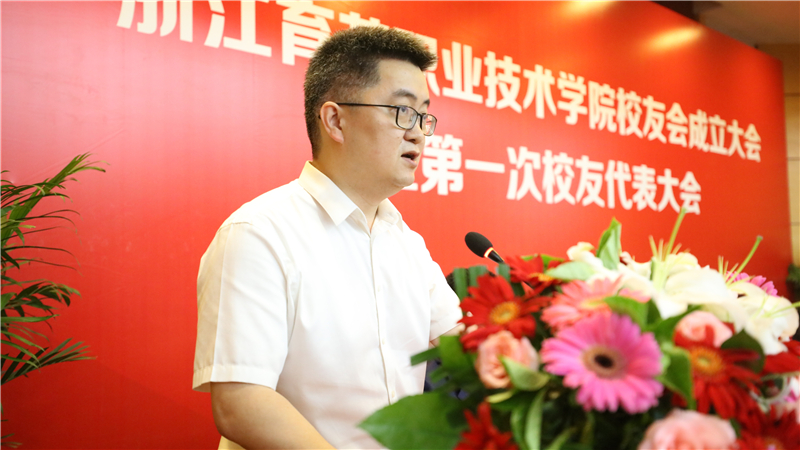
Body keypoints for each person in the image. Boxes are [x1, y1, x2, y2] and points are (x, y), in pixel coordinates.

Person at [193, 26, 463, 449]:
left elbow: (464, 348)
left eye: (423, 115)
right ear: (335, 120)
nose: (418, 133)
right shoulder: (259, 233)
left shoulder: (405, 242)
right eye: (402, 111)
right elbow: (241, 402)